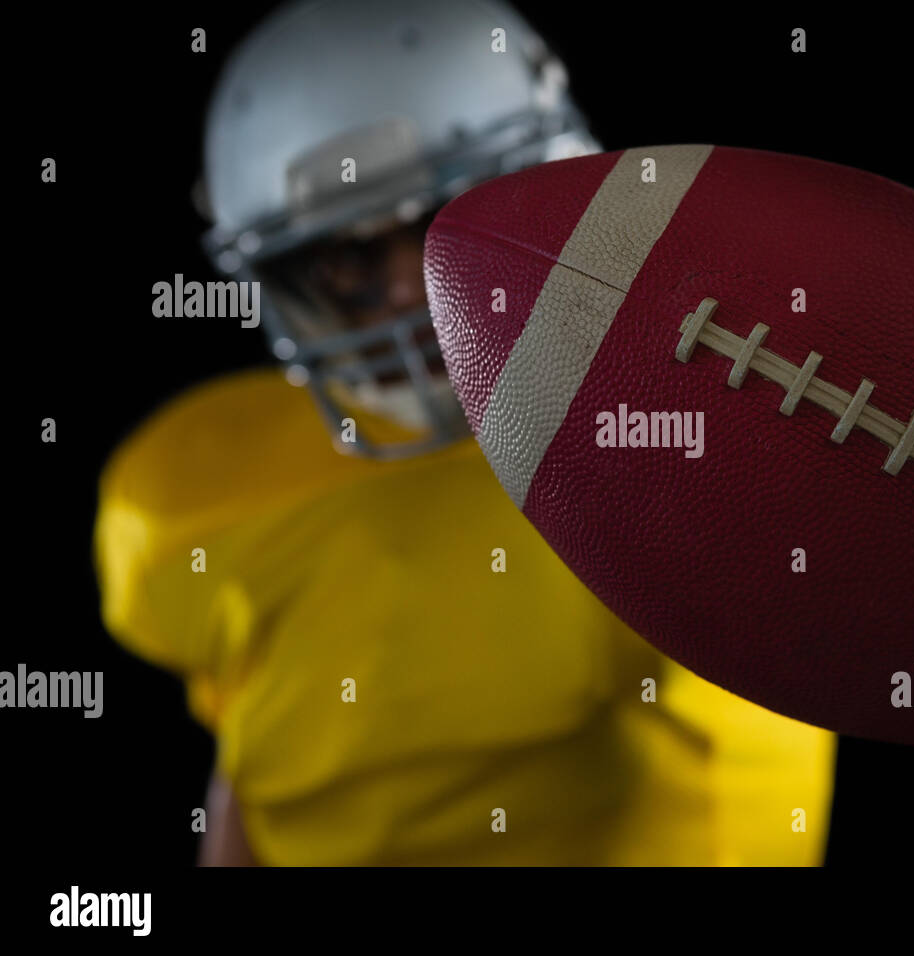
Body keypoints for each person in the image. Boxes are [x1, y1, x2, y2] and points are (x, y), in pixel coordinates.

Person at [94, 0, 836, 866]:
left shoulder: (730, 395)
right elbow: (260, 758)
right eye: (344, 260)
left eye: (447, 223)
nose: (413, 293)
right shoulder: (186, 489)